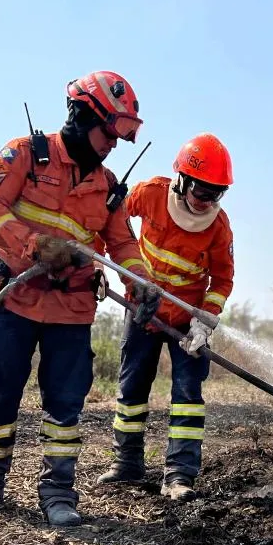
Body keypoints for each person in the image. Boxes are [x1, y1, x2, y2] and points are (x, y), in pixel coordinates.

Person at [0, 70, 161, 528]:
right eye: (110, 132)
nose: (114, 145)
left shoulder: (108, 189)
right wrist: (34, 247)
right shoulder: (26, 155)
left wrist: (139, 281)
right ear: (85, 116)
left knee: (65, 405)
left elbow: (123, 247)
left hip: (73, 311)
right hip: (17, 301)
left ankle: (58, 492)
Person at [97, 133, 235, 501]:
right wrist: (104, 270)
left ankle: (179, 475)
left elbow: (222, 280)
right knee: (132, 388)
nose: (208, 202)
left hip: (187, 323)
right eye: (202, 191)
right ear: (183, 180)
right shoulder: (152, 193)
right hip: (142, 309)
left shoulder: (219, 228)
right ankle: (127, 464)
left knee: (187, 394)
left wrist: (204, 321)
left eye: (217, 194)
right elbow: (112, 223)